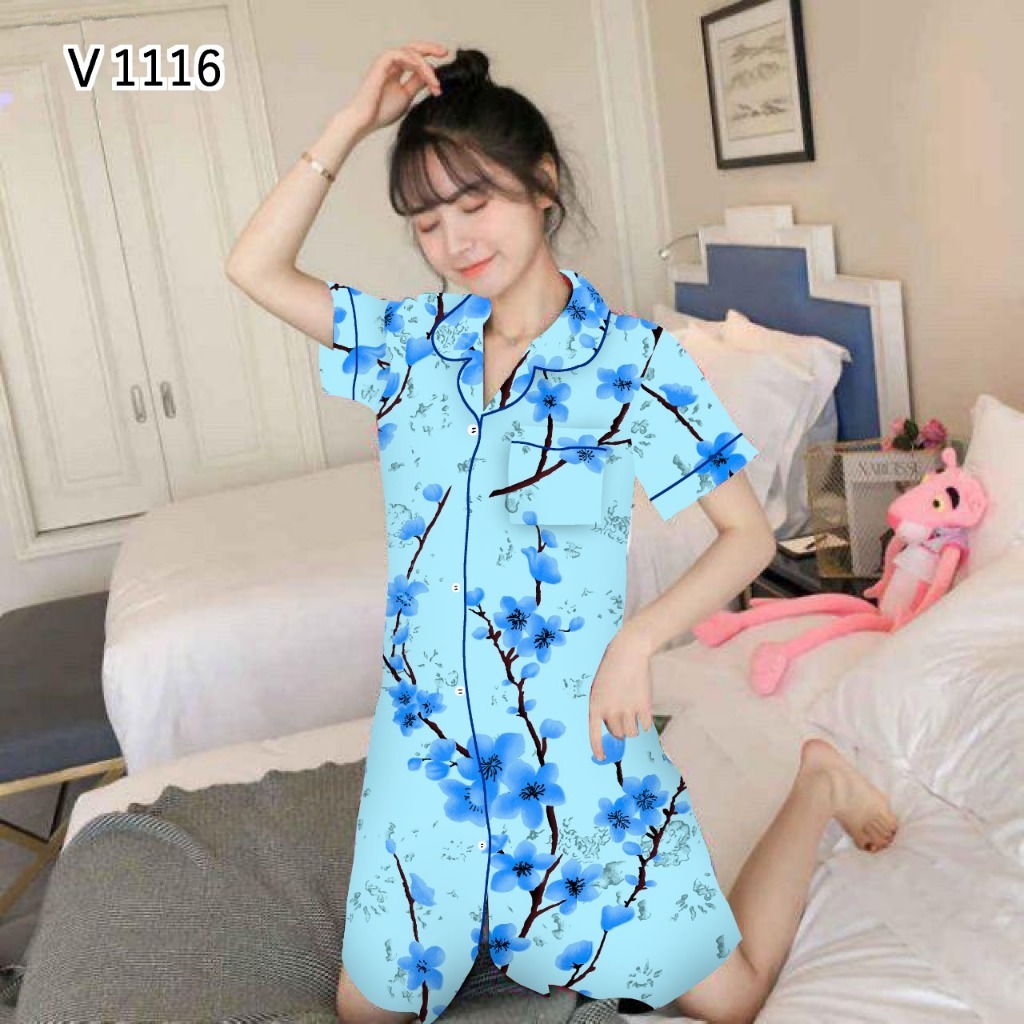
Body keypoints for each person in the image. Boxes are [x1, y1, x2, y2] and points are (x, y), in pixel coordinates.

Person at [226, 42, 899, 1024]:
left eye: (475, 201)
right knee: (367, 1013)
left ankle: (818, 785)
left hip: (570, 752)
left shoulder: (634, 361)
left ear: (542, 184)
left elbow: (747, 539)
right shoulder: (413, 344)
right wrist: (352, 122)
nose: (454, 239)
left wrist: (638, 640)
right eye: (426, 221)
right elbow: (252, 266)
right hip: (428, 751)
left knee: (728, 1001)